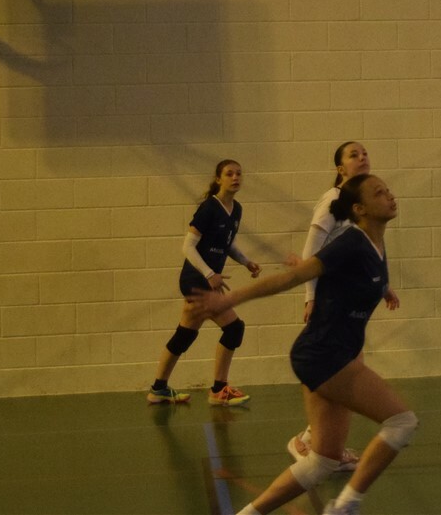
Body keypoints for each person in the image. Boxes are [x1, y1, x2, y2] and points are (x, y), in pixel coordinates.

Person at [189, 173, 417, 515]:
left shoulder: (375, 244)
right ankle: (345, 506)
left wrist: (383, 289)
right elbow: (292, 278)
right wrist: (229, 299)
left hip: (329, 353)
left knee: (323, 461)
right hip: (325, 355)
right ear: (359, 209)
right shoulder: (352, 242)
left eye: (388, 189)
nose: (390, 196)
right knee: (402, 422)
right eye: (379, 193)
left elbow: (347, 280)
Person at [288, 142, 401, 469]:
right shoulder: (333, 201)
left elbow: (368, 251)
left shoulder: (364, 204)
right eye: (353, 155)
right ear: (340, 168)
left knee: (345, 375)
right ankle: (314, 444)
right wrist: (310, 297)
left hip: (350, 300)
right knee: (344, 375)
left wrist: (384, 287)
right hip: (332, 301)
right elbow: (311, 251)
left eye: (365, 153)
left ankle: (316, 443)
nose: (362, 157)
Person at [145, 159, 260, 406]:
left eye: (239, 173)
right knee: (234, 329)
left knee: (185, 334)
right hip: (196, 280)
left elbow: (227, 244)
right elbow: (188, 246)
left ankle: (158, 388)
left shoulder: (236, 209)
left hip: (207, 282)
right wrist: (209, 274)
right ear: (218, 179)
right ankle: (219, 389)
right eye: (229, 174)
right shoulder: (209, 208)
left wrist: (246, 261)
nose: (235, 177)